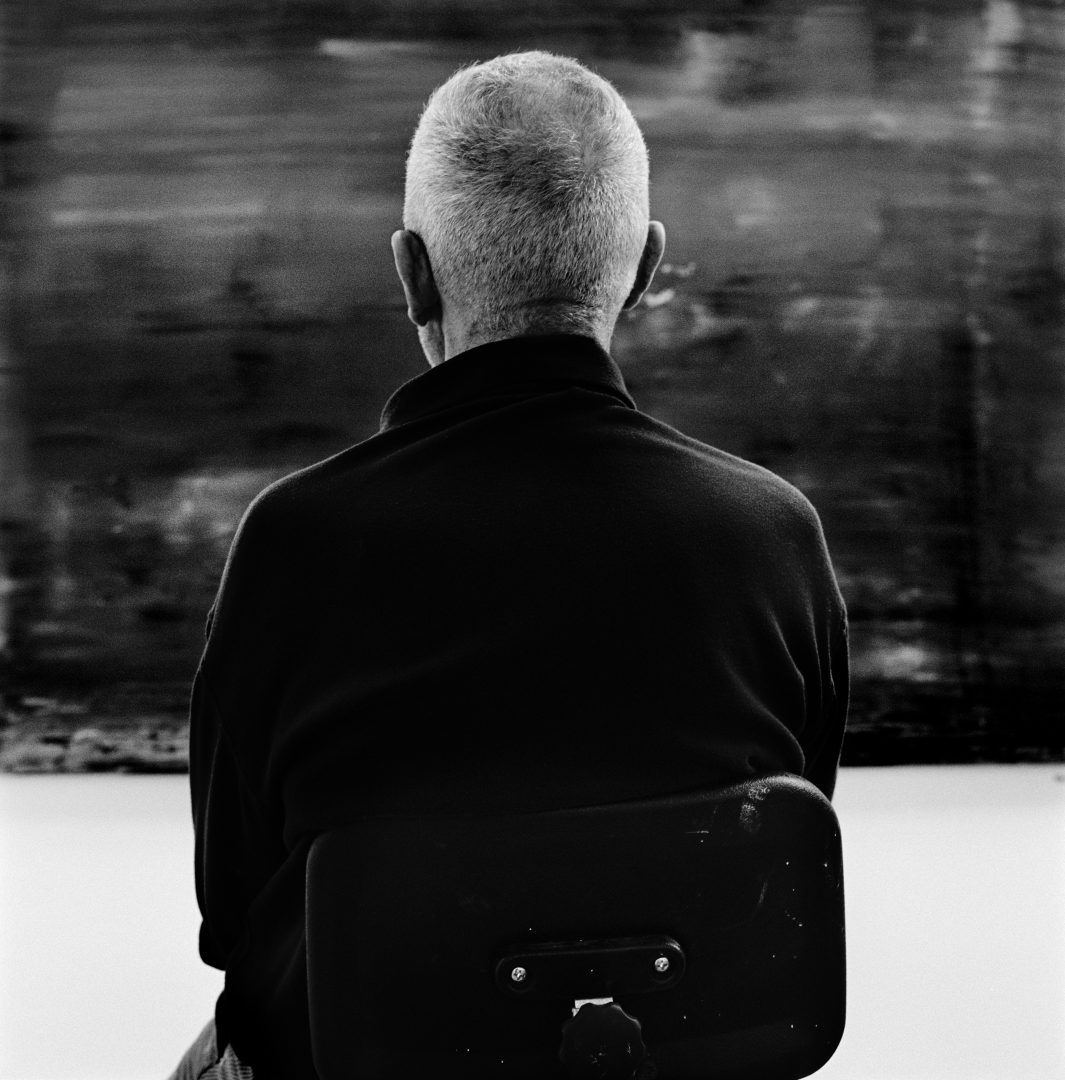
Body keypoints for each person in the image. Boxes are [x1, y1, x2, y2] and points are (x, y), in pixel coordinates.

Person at [168, 50, 848, 1080]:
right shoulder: (775, 537)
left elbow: (232, 919)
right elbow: (770, 864)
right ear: (646, 269)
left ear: (412, 273)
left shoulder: (293, 543)